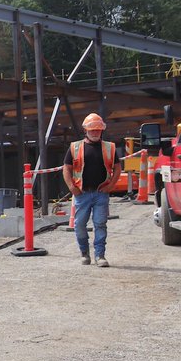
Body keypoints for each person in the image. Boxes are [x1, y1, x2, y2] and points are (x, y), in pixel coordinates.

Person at [63, 112, 123, 267]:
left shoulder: (109, 148)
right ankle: (84, 253)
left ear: (102, 130)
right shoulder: (75, 148)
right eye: (92, 130)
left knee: (100, 224)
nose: (95, 133)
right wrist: (71, 187)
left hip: (100, 193)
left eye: (98, 130)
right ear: (86, 131)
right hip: (82, 193)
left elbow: (117, 167)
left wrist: (111, 186)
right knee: (80, 225)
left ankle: (100, 256)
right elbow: (66, 168)